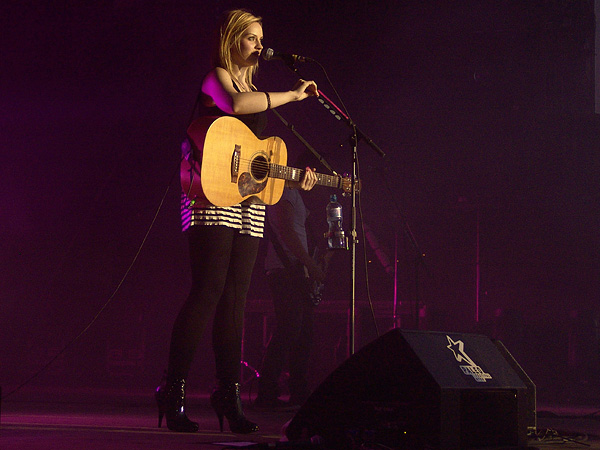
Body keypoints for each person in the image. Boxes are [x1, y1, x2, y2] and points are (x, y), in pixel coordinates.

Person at [155, 9, 319, 434]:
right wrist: (293, 96)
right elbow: (237, 105)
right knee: (208, 291)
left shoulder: (256, 87)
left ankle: (227, 395)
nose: (259, 45)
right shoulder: (216, 78)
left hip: (247, 202)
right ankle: (172, 391)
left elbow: (258, 151)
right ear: (232, 41)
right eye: (250, 38)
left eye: (261, 38)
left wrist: (295, 176)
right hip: (210, 193)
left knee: (236, 299)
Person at [254, 156, 330, 410]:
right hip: (284, 270)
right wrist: (309, 263)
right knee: (289, 330)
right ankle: (266, 392)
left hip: (296, 269)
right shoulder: (281, 191)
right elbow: (286, 230)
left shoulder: (294, 194)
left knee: (304, 334)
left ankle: (299, 390)